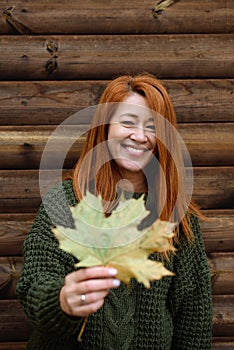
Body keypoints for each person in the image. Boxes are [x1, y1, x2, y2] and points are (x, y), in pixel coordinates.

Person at [17, 73, 213, 350]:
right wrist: (62, 301)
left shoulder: (175, 215)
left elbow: (194, 323)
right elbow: (34, 286)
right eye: (128, 122)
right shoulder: (67, 202)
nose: (139, 136)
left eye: (152, 126)